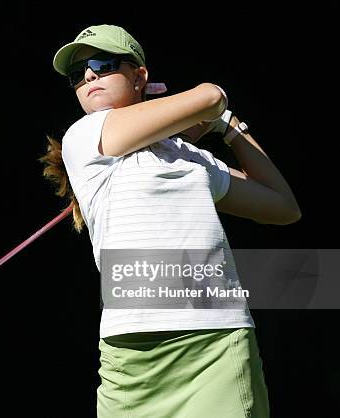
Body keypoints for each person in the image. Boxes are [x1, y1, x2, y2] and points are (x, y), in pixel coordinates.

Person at [40, 24, 301, 417]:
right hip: (130, 358)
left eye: (103, 64)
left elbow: (283, 207)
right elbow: (211, 94)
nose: (89, 75)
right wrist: (206, 109)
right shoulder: (84, 135)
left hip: (214, 344)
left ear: (140, 75)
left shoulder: (187, 156)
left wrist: (228, 127)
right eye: (79, 74)